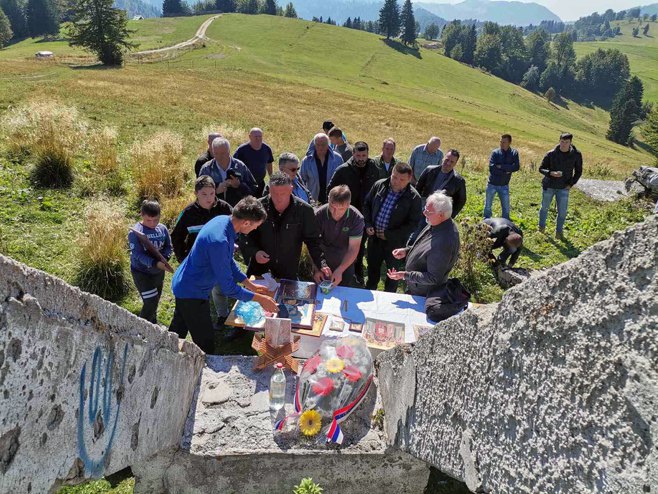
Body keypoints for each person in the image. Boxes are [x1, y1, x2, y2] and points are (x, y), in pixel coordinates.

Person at [170, 197, 278, 354]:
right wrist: (260, 299)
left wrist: (250, 285)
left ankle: (166, 352)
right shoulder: (219, 240)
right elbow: (228, 288)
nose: (255, 229)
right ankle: (204, 370)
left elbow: (229, 261)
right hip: (192, 292)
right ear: (246, 223)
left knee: (177, 330)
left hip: (185, 283)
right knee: (205, 344)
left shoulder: (223, 221)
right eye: (256, 226)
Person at [241, 172, 331, 282]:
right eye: (274, 194)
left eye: (282, 193)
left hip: (288, 270)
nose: (278, 198)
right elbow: (245, 234)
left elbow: (313, 240)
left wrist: (321, 264)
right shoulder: (257, 207)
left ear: (291, 189)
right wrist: (255, 252)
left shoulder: (304, 210)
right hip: (259, 269)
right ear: (269, 190)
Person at [387, 191, 462, 322]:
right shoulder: (438, 222)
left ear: (442, 215)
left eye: (428, 211)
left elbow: (433, 277)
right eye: (425, 208)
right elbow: (425, 246)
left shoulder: (444, 241)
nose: (424, 213)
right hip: (416, 287)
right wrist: (407, 251)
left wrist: (405, 275)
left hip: (423, 293)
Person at [171, 176, 233, 325]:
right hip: (198, 261)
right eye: (204, 194)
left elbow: (234, 228)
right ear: (196, 193)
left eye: (212, 193)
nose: (209, 198)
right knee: (200, 291)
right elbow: (176, 236)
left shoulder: (224, 208)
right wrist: (182, 258)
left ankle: (222, 316)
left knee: (219, 289)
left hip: (219, 258)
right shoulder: (188, 213)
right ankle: (202, 320)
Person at [328, 141, 386, 283]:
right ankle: (341, 270)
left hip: (366, 216)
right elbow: (330, 191)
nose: (361, 158)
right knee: (344, 244)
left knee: (359, 245)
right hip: (345, 214)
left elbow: (380, 192)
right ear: (353, 153)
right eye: (358, 155)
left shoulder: (375, 169)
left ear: (368, 154)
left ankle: (358, 273)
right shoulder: (343, 170)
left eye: (364, 155)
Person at [363, 162, 422, 292]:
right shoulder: (380, 185)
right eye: (394, 177)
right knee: (372, 271)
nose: (396, 182)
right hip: (375, 239)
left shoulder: (413, 198)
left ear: (409, 179)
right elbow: (367, 204)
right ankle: (369, 294)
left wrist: (390, 234)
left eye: (402, 179)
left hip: (395, 244)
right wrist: (368, 224)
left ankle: (389, 301)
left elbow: (413, 224)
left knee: (392, 275)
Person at [128, 200, 172, 325]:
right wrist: (154, 263)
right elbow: (137, 254)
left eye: (156, 220)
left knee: (155, 302)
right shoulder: (135, 232)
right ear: (142, 215)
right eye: (148, 220)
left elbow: (168, 246)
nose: (152, 223)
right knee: (150, 302)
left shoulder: (162, 229)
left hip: (158, 272)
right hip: (142, 273)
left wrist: (165, 258)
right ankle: (140, 330)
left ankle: (153, 325)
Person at [315, 185, 364, 287]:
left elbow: (353, 249)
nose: (335, 212)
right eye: (332, 207)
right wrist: (317, 267)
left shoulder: (356, 218)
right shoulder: (318, 215)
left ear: (348, 204)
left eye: (341, 209)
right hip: (322, 261)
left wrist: (340, 269)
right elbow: (313, 244)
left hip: (345, 262)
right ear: (328, 199)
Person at [538, 132, 583, 239]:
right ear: (559, 141)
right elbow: (541, 168)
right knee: (544, 208)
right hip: (549, 185)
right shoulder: (551, 154)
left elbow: (578, 171)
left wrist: (571, 184)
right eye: (562, 141)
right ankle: (541, 229)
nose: (563, 144)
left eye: (566, 142)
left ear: (570, 143)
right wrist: (551, 173)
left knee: (562, 212)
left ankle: (559, 232)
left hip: (564, 187)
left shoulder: (576, 155)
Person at [198, 137, 258, 206]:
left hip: (238, 210)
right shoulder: (207, 168)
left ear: (229, 151)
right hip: (214, 209)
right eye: (216, 153)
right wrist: (215, 190)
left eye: (223, 153)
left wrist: (239, 186)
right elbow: (199, 191)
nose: (219, 157)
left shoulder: (240, 166)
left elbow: (253, 188)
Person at [415, 149, 467, 218]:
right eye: (447, 160)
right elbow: (418, 188)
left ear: (455, 163)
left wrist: (450, 216)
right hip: (424, 208)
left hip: (440, 214)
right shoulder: (429, 170)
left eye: (452, 162)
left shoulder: (459, 181)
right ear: (443, 158)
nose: (448, 163)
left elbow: (461, 201)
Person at [300, 133, 343, 204]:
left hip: (333, 201)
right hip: (313, 202)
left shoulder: (337, 159)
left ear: (328, 144)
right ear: (314, 145)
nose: (320, 148)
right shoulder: (306, 161)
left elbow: (342, 181)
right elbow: (301, 182)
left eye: (323, 145)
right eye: (318, 145)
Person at [484, 134, 520, 220]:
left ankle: (506, 224)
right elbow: (492, 168)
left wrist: (501, 166)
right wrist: (507, 170)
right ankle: (486, 223)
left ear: (509, 143)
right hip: (492, 184)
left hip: (504, 185)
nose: (501, 144)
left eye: (504, 142)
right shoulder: (495, 153)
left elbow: (516, 167)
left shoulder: (514, 153)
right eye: (501, 141)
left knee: (506, 209)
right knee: (488, 207)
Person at [233, 128, 274, 198]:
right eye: (255, 137)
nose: (258, 139)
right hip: (246, 184)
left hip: (260, 183)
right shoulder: (242, 150)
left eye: (260, 136)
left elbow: (269, 163)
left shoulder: (266, 149)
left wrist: (272, 178)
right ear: (250, 137)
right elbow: (234, 165)